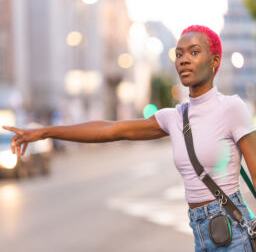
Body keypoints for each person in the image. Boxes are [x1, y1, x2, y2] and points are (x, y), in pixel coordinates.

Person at [2, 25, 256, 251]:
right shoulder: (174, 117)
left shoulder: (232, 108)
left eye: (194, 52)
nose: (184, 60)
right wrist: (45, 131)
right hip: (202, 232)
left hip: (233, 229)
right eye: (179, 54)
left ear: (214, 61)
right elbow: (110, 130)